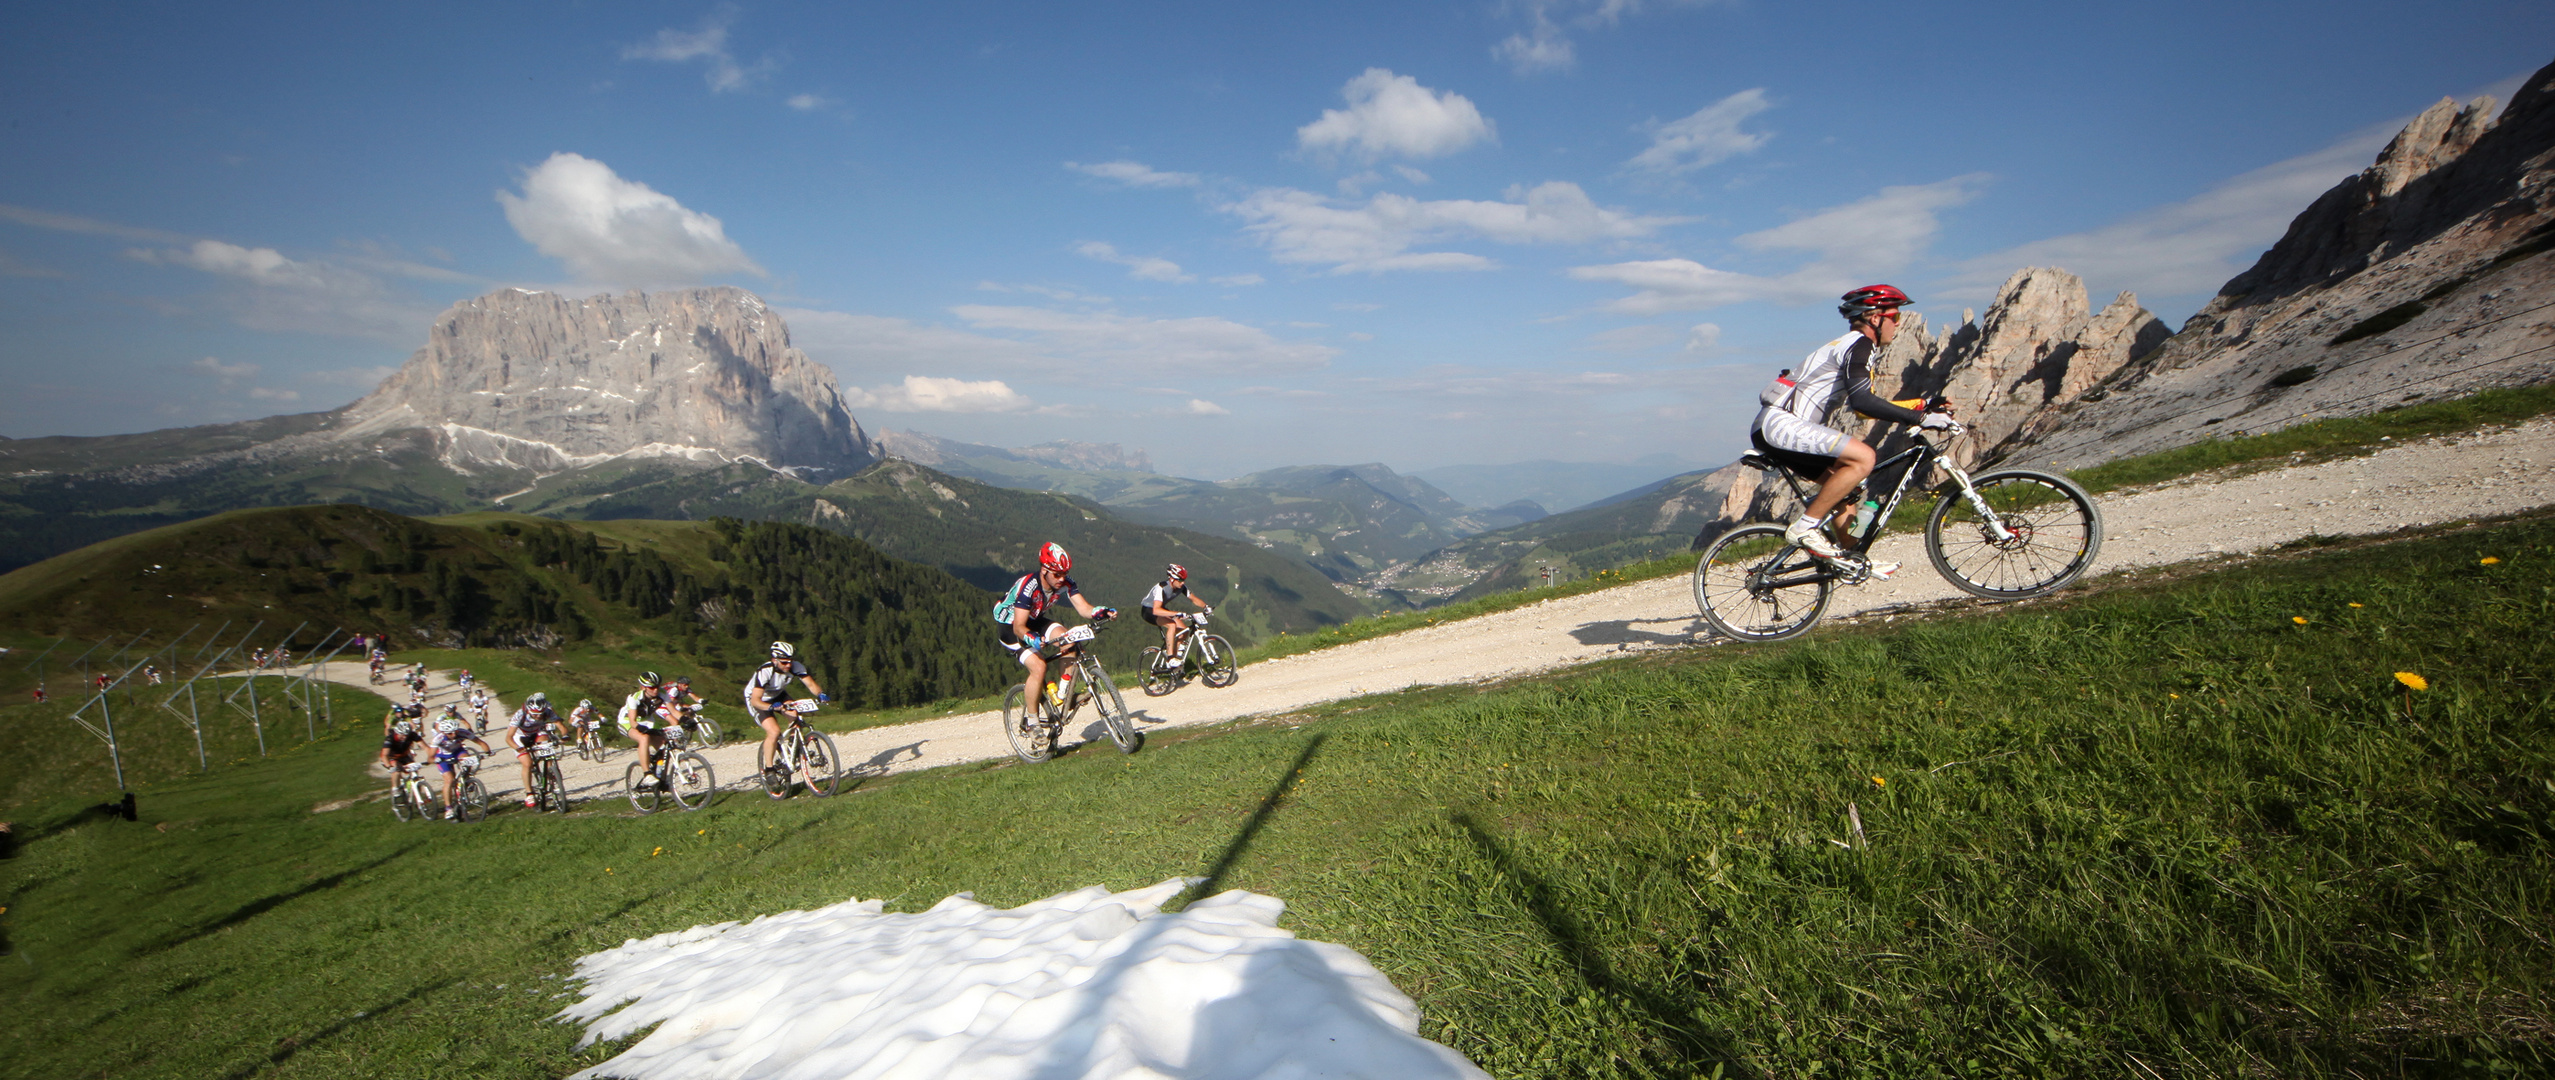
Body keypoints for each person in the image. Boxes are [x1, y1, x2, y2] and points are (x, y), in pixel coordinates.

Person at [1751, 284, 1958, 576]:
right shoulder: (1858, 345)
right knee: (1864, 457)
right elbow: (1863, 401)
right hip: (1781, 424)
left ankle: (1853, 559)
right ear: (1875, 318)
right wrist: (1920, 419)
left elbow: (1862, 407)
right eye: (1895, 317)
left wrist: (1922, 404)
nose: (1898, 325)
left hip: (1776, 426)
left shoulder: (1854, 345)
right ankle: (1804, 528)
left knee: (1845, 492)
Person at [1000, 543, 1116, 717]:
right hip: (1011, 627)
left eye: (1065, 573)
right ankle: (1032, 722)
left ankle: (1064, 696)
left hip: (1034, 620)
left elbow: (1083, 607)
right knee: (1039, 667)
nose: (1062, 578)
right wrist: (1034, 639)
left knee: (1069, 641)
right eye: (1057, 574)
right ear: (1044, 570)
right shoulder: (1029, 587)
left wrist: (1100, 611)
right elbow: (1019, 627)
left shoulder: (1066, 583)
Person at [743, 642, 830, 792]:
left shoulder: (796, 666)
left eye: (790, 661)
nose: (788, 665)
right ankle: (769, 770)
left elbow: (810, 684)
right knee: (774, 731)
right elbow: (755, 699)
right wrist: (770, 707)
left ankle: (792, 745)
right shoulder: (765, 671)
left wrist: (820, 694)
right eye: (784, 662)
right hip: (758, 700)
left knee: (794, 714)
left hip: (778, 694)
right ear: (774, 659)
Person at [1139, 563, 1212, 670]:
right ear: (1172, 579)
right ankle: (1170, 658)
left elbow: (1194, 599)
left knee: (1185, 630)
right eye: (1180, 580)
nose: (1183, 583)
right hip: (1149, 611)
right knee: (1172, 625)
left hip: (1161, 609)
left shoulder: (1181, 587)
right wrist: (1176, 613)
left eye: (1184, 580)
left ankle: (1177, 660)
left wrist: (1206, 607)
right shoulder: (1161, 588)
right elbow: (1156, 610)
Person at [428, 710, 490, 820]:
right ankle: (448, 809)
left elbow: (480, 742)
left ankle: (466, 782)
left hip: (458, 752)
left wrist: (487, 752)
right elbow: (430, 757)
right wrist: (435, 760)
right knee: (449, 780)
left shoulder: (462, 732)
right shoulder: (439, 738)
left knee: (466, 759)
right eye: (450, 733)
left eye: (455, 732)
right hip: (443, 757)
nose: (454, 735)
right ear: (444, 733)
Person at [507, 692, 561, 808]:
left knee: (547, 745)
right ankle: (529, 793)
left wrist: (564, 735)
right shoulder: (520, 714)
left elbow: (561, 726)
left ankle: (550, 772)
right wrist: (518, 748)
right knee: (528, 763)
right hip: (520, 736)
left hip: (536, 732)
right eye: (534, 714)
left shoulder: (547, 711)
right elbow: (508, 738)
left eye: (540, 714)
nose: (538, 716)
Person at [619, 672, 675, 781]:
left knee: (665, 747)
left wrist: (685, 719)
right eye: (652, 687)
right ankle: (647, 775)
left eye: (657, 687)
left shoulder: (662, 693)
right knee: (644, 738)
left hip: (648, 721)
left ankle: (659, 775)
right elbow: (632, 721)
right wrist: (640, 729)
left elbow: (674, 711)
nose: (655, 690)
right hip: (626, 722)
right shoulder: (634, 698)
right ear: (643, 687)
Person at [381, 715, 424, 780]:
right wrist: (389, 766)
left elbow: (425, 747)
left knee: (414, 769)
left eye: (407, 735)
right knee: (396, 771)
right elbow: (384, 755)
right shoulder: (390, 739)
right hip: (391, 758)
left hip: (403, 755)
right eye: (402, 735)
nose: (405, 737)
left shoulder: (411, 734)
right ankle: (396, 788)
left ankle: (418, 786)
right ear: (397, 733)